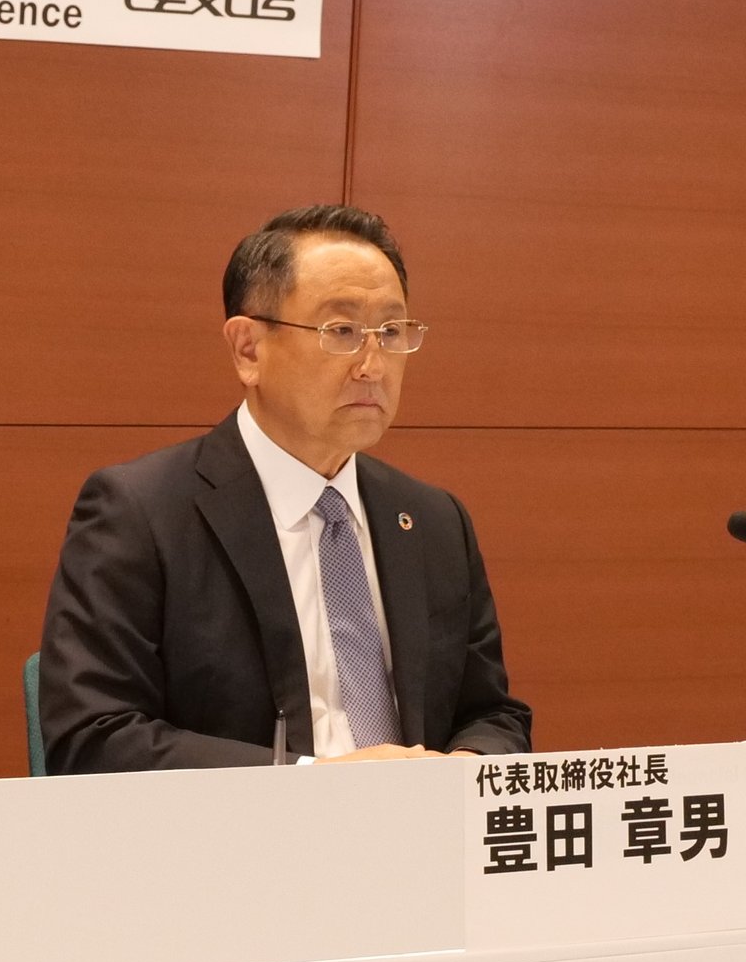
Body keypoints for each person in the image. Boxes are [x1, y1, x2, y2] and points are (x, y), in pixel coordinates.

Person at [40, 204, 528, 770]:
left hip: (418, 842)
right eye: (341, 331)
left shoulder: (434, 519)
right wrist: (309, 784)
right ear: (248, 349)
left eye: (391, 332)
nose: (374, 365)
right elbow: (93, 736)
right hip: (233, 848)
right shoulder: (141, 513)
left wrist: (462, 768)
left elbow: (493, 714)